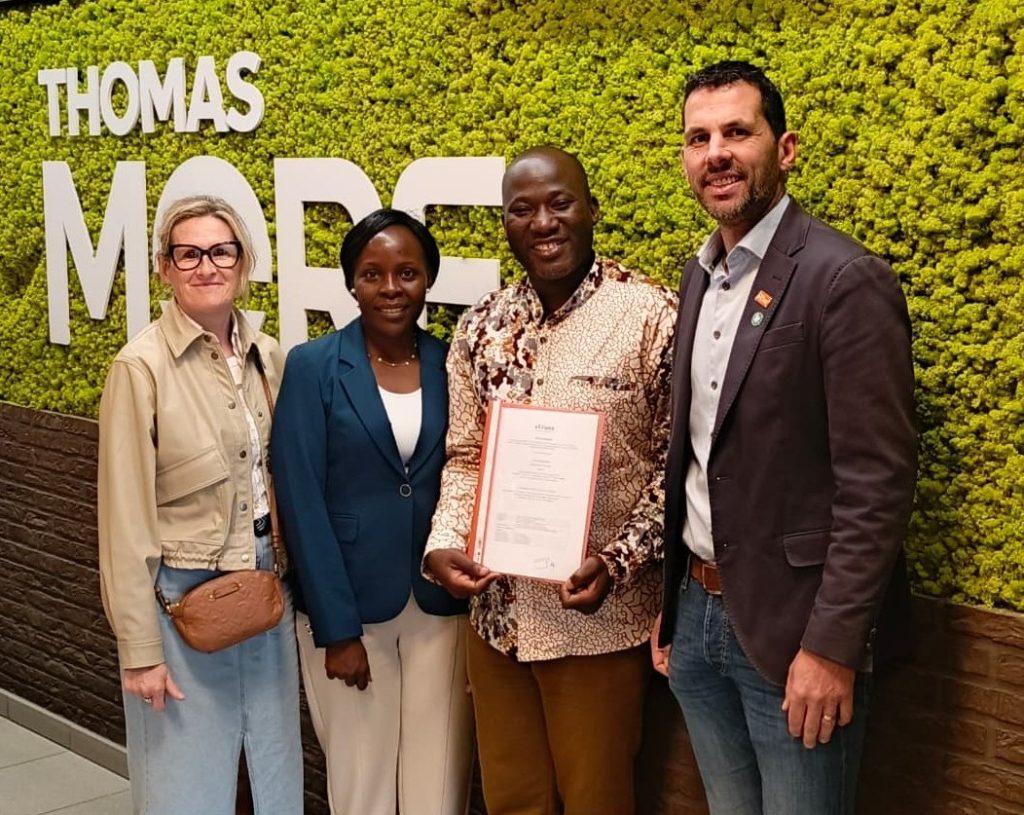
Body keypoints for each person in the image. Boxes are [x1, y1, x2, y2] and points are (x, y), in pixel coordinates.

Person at [653, 61, 917, 814]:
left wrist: (833, 646)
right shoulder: (699, 275)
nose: (717, 154)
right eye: (698, 138)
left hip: (797, 636)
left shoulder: (843, 278)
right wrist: (671, 606)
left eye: (738, 131)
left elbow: (878, 483)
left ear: (786, 146)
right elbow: (695, 456)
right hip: (697, 622)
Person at [424, 146, 677, 815]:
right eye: (522, 208)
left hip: (596, 621)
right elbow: (465, 455)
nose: (543, 221)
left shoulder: (651, 316)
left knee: (597, 802)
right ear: (504, 224)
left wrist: (618, 561)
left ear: (591, 209)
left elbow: (675, 471)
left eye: (559, 202)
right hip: (496, 617)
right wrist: (444, 541)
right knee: (513, 801)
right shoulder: (482, 327)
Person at [97, 195, 302, 814]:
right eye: (188, 253)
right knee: (184, 784)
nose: (205, 266)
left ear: (242, 264)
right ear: (165, 267)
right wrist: (140, 652)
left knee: (272, 771)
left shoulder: (269, 357)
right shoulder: (140, 368)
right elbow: (124, 523)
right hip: (181, 605)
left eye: (220, 251)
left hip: (264, 595)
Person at [270, 209, 473, 815]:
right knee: (364, 784)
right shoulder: (313, 367)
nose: (391, 288)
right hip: (350, 608)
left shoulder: (454, 361)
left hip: (440, 603)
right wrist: (337, 630)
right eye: (373, 273)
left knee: (440, 783)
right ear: (351, 282)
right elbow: (301, 500)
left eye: (407, 272)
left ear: (428, 280)